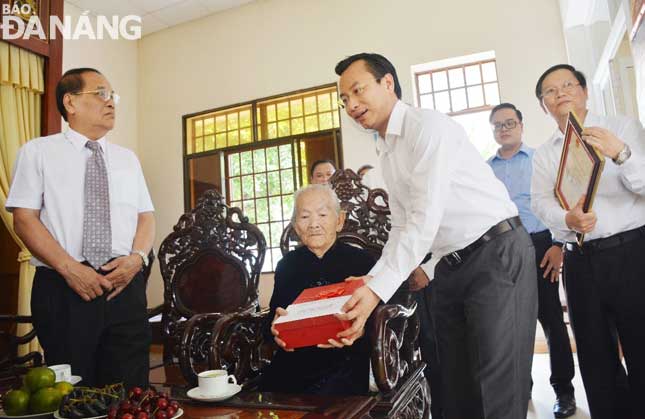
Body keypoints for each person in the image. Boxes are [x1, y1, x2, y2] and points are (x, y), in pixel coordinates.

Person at [332, 53, 538, 419]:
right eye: (344, 99)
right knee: (454, 385)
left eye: (357, 90)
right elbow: (401, 225)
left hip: (496, 253)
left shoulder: (427, 127)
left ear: (388, 83)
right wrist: (372, 279)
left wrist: (377, 290)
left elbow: (425, 217)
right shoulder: (388, 149)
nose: (351, 104)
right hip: (450, 266)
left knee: (496, 388)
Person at [6, 68, 155, 389]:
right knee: (74, 393)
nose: (111, 102)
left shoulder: (128, 159)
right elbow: (24, 218)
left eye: (113, 95)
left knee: (132, 391)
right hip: (63, 287)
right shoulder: (38, 152)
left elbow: (146, 216)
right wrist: (70, 269)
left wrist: (137, 259)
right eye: (101, 93)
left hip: (124, 285)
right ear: (70, 102)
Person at [532, 64, 645, 419]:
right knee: (595, 358)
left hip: (632, 252)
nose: (560, 93)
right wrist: (567, 219)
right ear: (543, 105)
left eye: (568, 85)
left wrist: (622, 153)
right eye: (550, 91)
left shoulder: (622, 127)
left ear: (584, 91)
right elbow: (540, 201)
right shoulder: (546, 153)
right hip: (580, 260)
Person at [488, 102, 576, 418]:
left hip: (541, 245)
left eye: (509, 122)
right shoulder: (487, 170)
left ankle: (563, 392)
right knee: (509, 325)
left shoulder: (540, 159)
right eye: (497, 125)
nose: (504, 129)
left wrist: (557, 244)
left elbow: (559, 201)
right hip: (503, 250)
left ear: (521, 125)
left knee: (551, 319)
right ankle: (519, 390)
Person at [261, 184, 374, 395]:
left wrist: (360, 330)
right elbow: (273, 316)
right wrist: (275, 329)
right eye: (304, 217)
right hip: (295, 359)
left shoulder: (363, 262)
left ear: (339, 220)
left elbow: (378, 315)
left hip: (345, 358)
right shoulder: (287, 264)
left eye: (322, 214)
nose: (314, 224)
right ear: (295, 225)